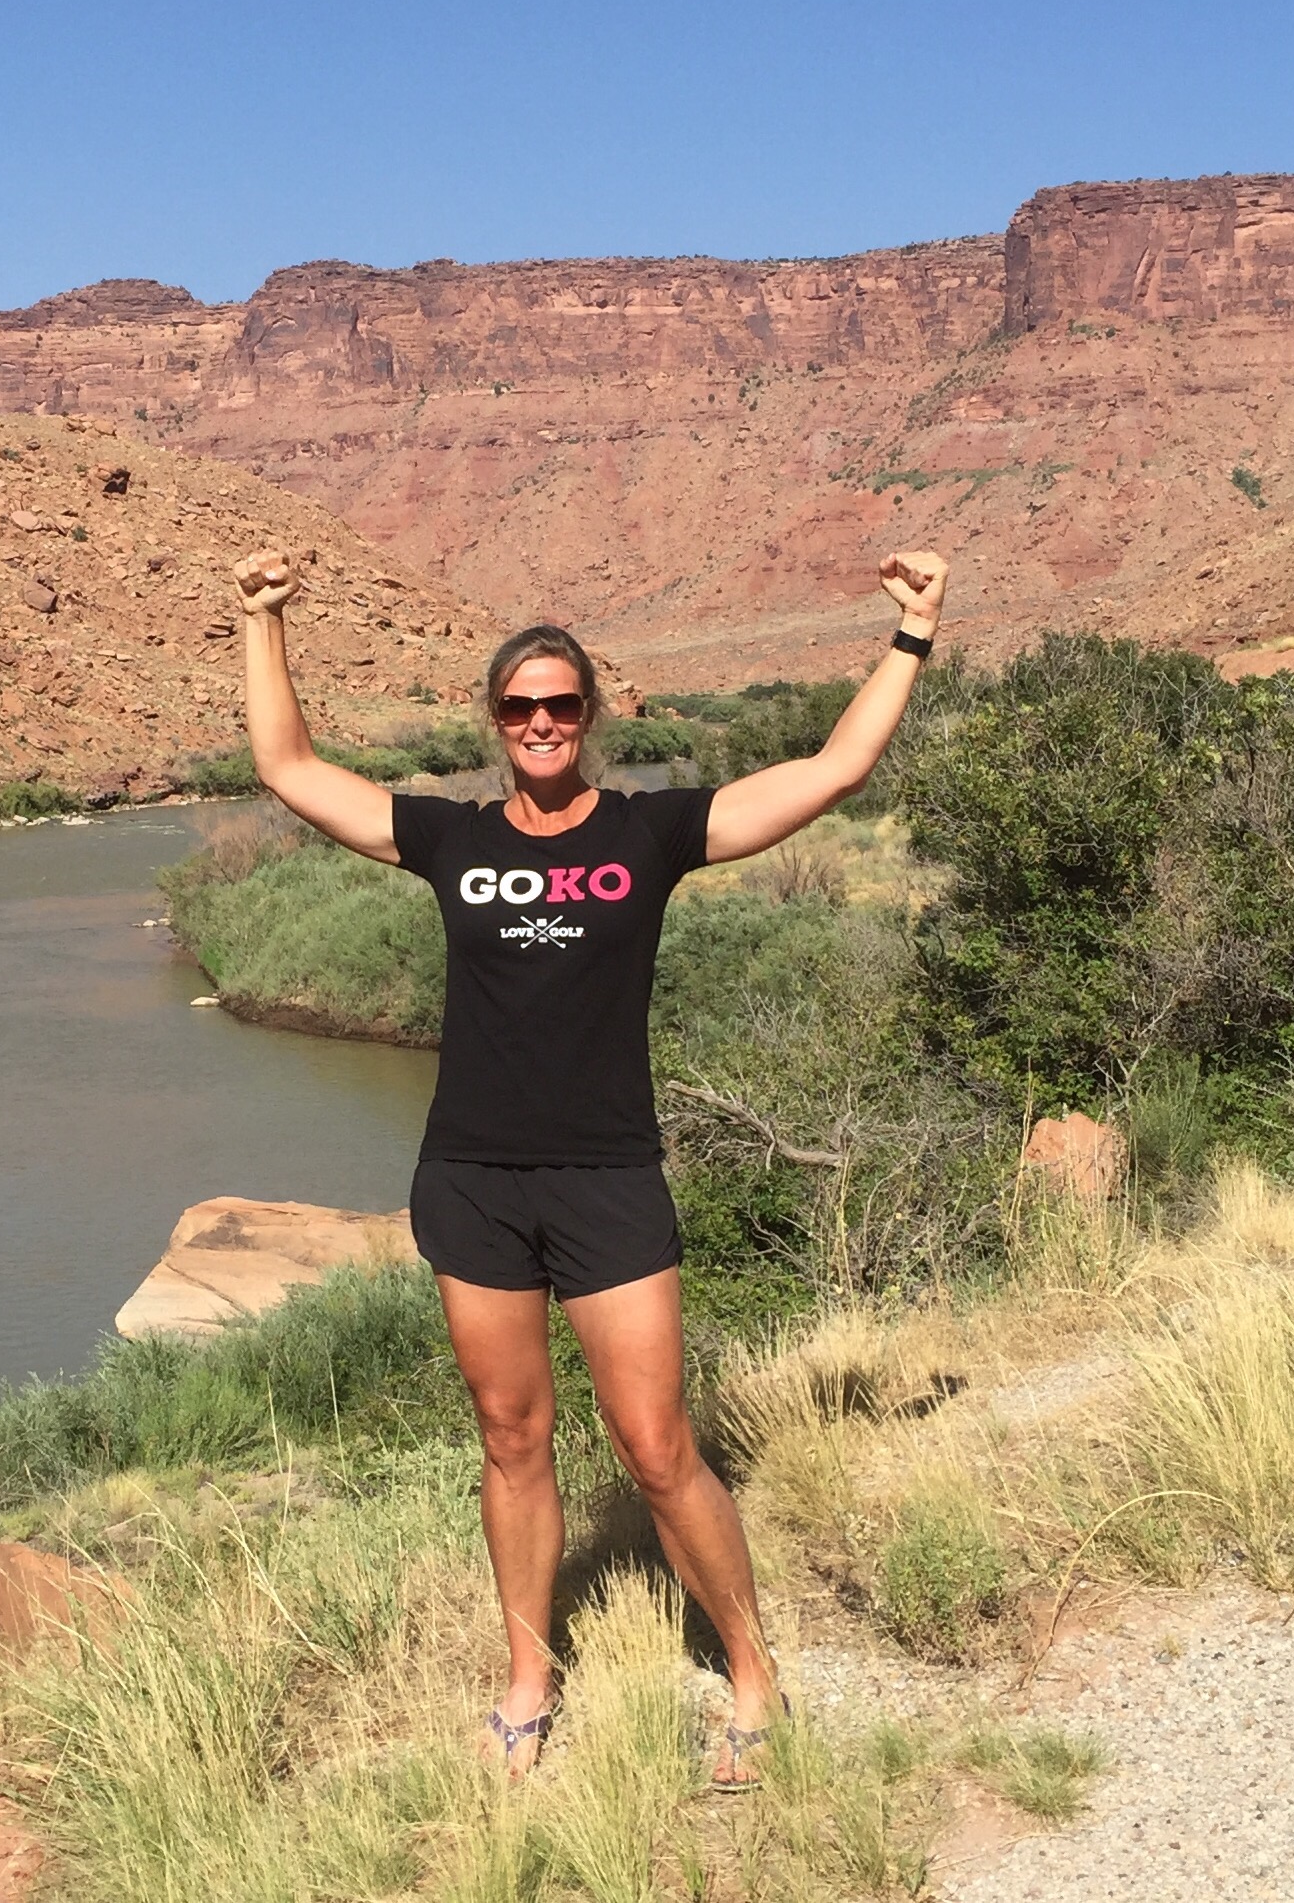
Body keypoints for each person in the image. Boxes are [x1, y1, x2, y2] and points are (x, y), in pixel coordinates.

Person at [233, 545, 949, 1788]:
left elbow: (834, 769)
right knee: (512, 1435)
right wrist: (261, 621)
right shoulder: (448, 837)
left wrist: (912, 634)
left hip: (606, 1175)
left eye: (562, 703)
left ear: (590, 715)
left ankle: (751, 1668)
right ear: (494, 719)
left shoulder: (648, 831)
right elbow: (290, 769)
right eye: (521, 705)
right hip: (473, 1176)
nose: (542, 722)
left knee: (656, 1441)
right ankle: (529, 1674)